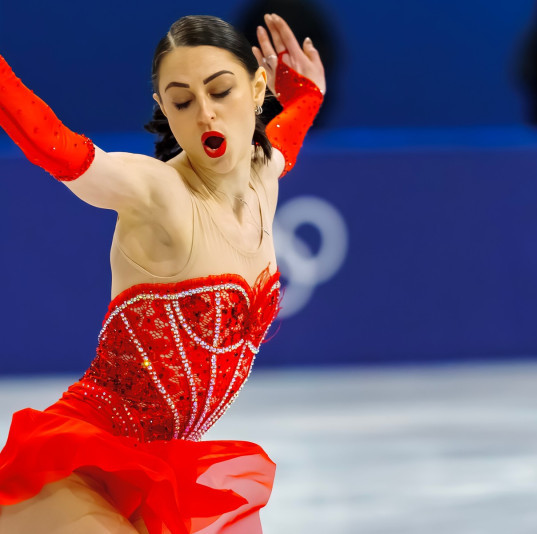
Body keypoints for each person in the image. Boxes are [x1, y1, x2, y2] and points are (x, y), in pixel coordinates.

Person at [0, 12, 324, 534]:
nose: (206, 114)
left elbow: (287, 135)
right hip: (73, 466)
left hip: (157, 472)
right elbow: (55, 144)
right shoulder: (157, 192)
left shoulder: (264, 175)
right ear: (164, 111)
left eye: (221, 91)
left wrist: (308, 94)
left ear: (257, 88)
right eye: (182, 102)